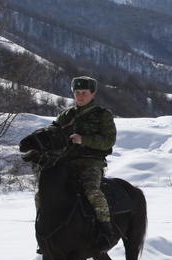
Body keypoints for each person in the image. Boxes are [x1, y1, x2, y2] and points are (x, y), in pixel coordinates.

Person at [40, 76, 118, 249]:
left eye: (84, 93)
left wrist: (84, 140)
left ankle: (106, 230)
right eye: (77, 93)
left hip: (91, 163)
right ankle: (45, 230)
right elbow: (52, 132)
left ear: (93, 94)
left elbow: (108, 140)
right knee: (43, 193)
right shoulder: (67, 115)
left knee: (92, 191)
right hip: (65, 162)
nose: (80, 96)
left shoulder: (102, 115)